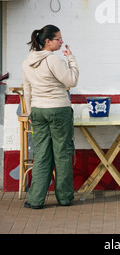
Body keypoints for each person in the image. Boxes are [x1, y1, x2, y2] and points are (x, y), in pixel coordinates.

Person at [22, 24, 79, 209]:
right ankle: (64, 198)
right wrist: (71, 59)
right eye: (58, 39)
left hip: (38, 110)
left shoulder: (26, 62)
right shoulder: (52, 60)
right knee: (62, 153)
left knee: (41, 155)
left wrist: (31, 112)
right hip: (58, 109)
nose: (62, 42)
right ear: (48, 42)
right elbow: (72, 80)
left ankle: (35, 200)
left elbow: (27, 91)